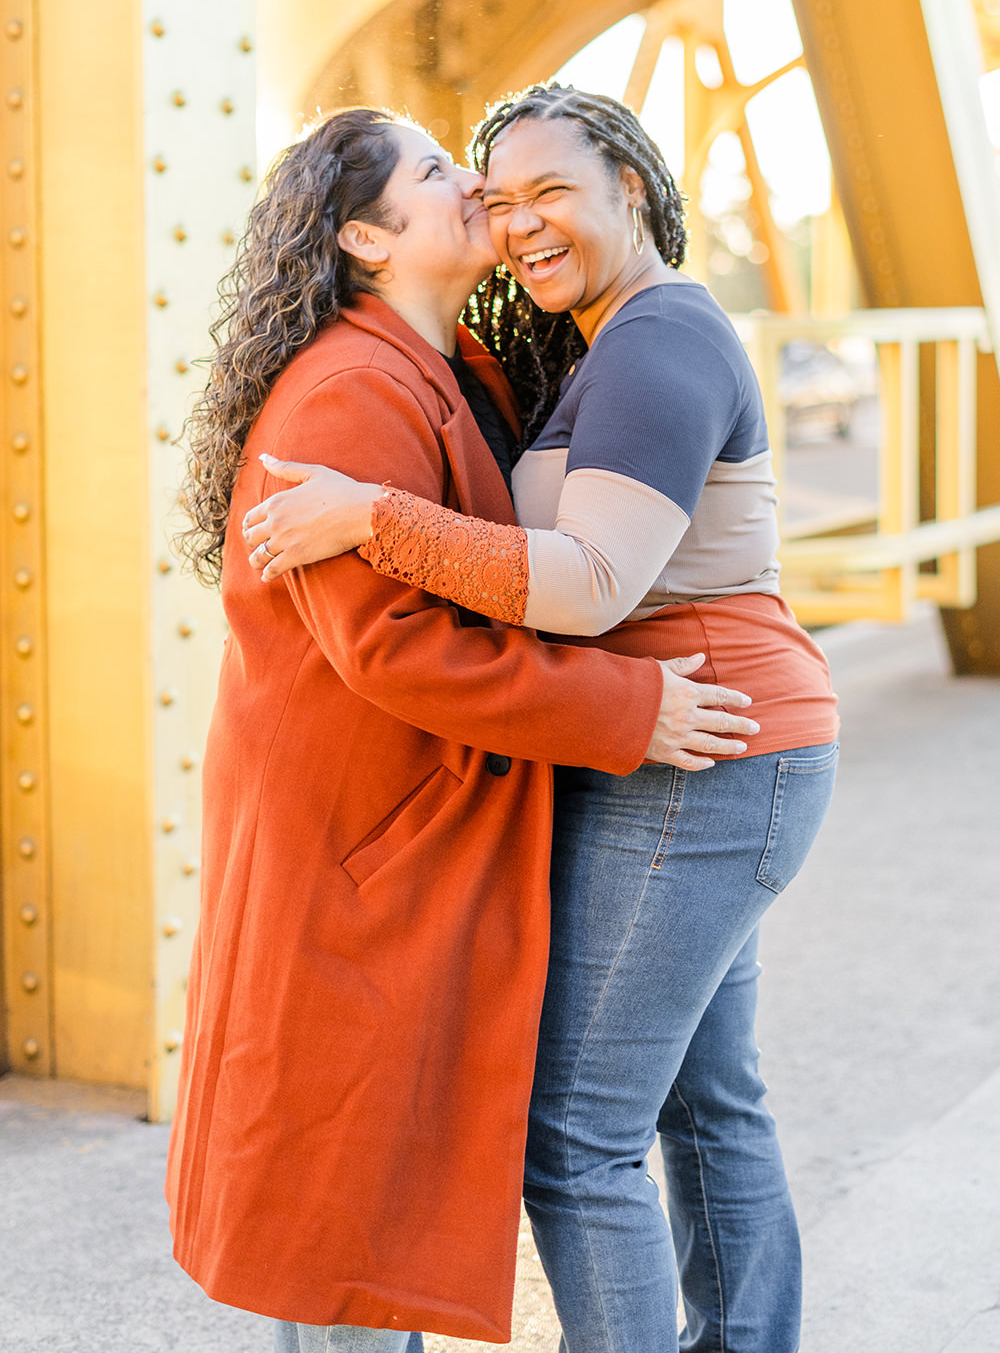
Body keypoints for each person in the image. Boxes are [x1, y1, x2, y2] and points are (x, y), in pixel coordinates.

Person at [240, 84, 840, 1353]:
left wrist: (373, 516)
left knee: (576, 1142)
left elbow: (592, 583)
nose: (513, 219)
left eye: (545, 190)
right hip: (703, 747)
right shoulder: (570, 345)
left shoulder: (656, 342)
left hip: (695, 750)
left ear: (631, 181)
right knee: (702, 1099)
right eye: (492, 194)